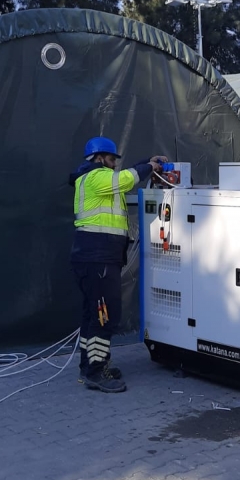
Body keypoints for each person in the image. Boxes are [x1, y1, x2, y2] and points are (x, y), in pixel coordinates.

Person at [70, 137, 167, 392]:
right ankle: (96, 371)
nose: (115, 163)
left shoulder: (91, 178)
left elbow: (123, 177)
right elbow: (125, 179)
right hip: (98, 259)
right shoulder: (96, 177)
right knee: (105, 316)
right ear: (100, 158)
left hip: (94, 259)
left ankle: (89, 366)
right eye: (112, 159)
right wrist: (149, 167)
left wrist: (146, 162)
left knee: (93, 315)